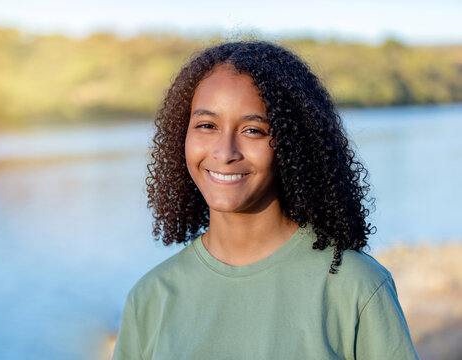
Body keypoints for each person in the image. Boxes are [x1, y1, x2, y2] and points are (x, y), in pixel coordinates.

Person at [112, 41, 419, 359]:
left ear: (292, 144)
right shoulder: (150, 299)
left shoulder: (357, 287)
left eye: (253, 130)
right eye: (207, 126)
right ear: (182, 135)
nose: (225, 152)